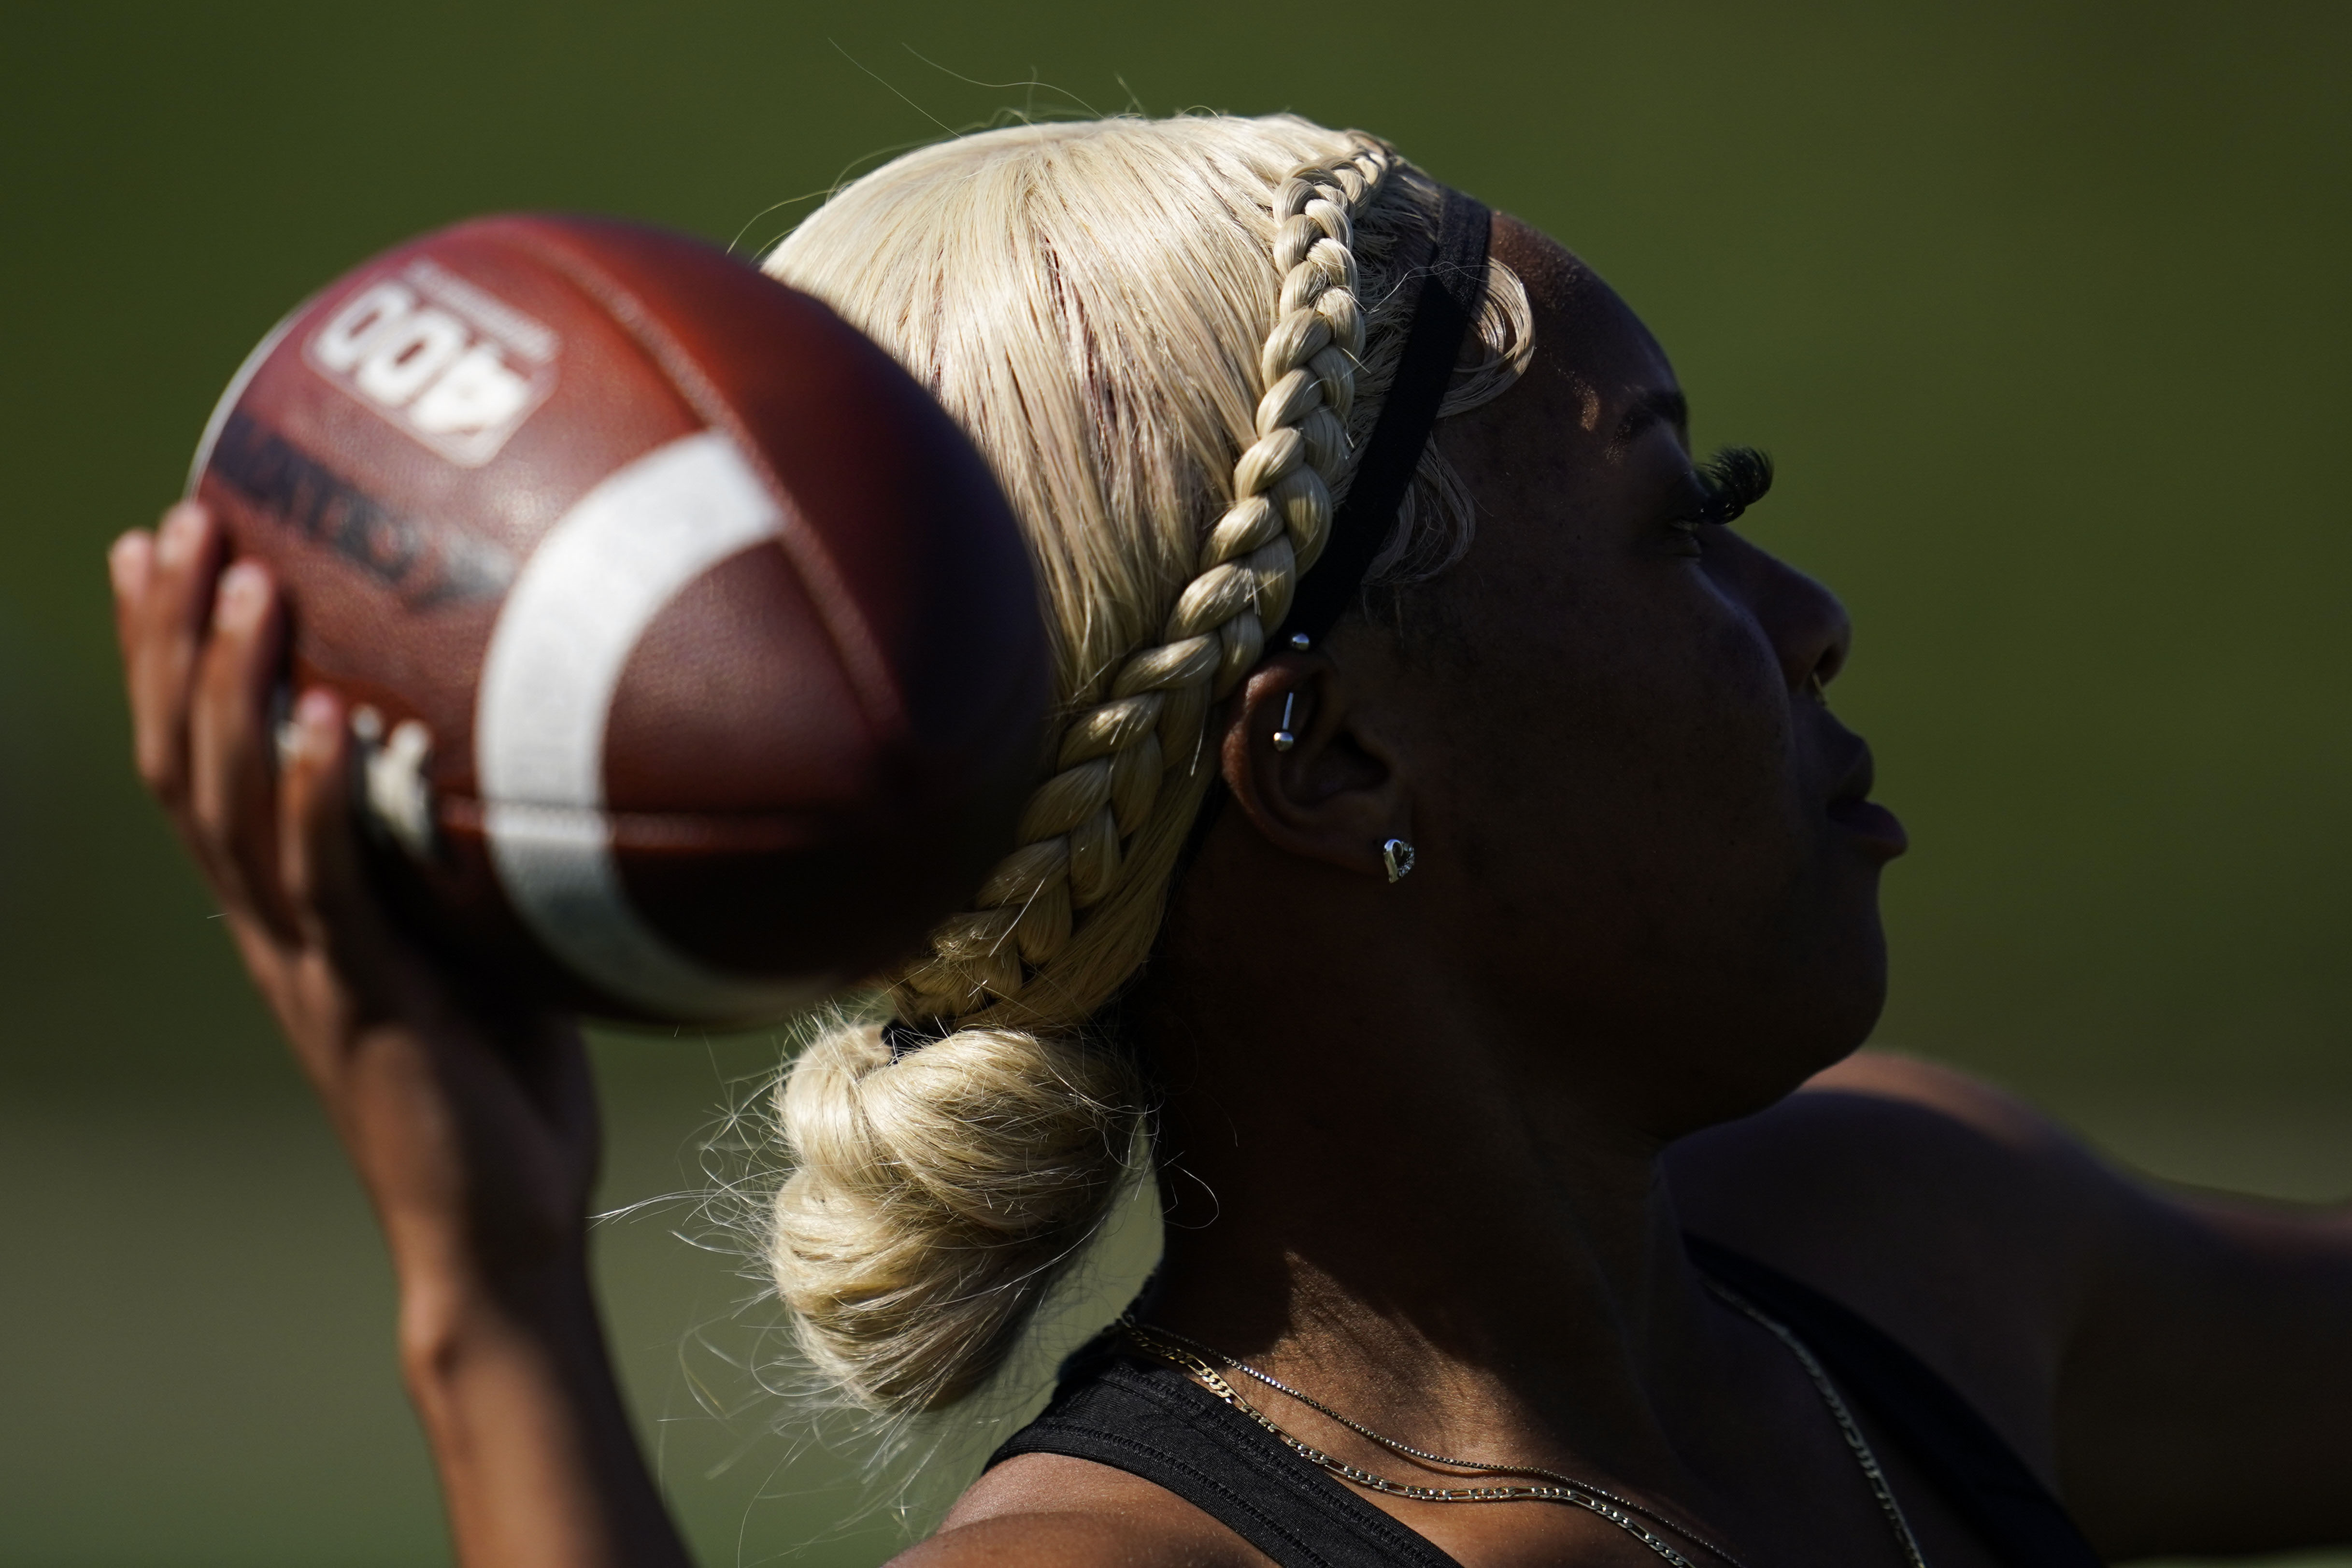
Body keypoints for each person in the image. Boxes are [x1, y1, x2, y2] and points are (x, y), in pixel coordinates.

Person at [108, 114, 2352, 1568]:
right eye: (1690, 520)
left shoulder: (1902, 1255)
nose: (1809, 616)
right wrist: (493, 1303)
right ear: (1334, 758)